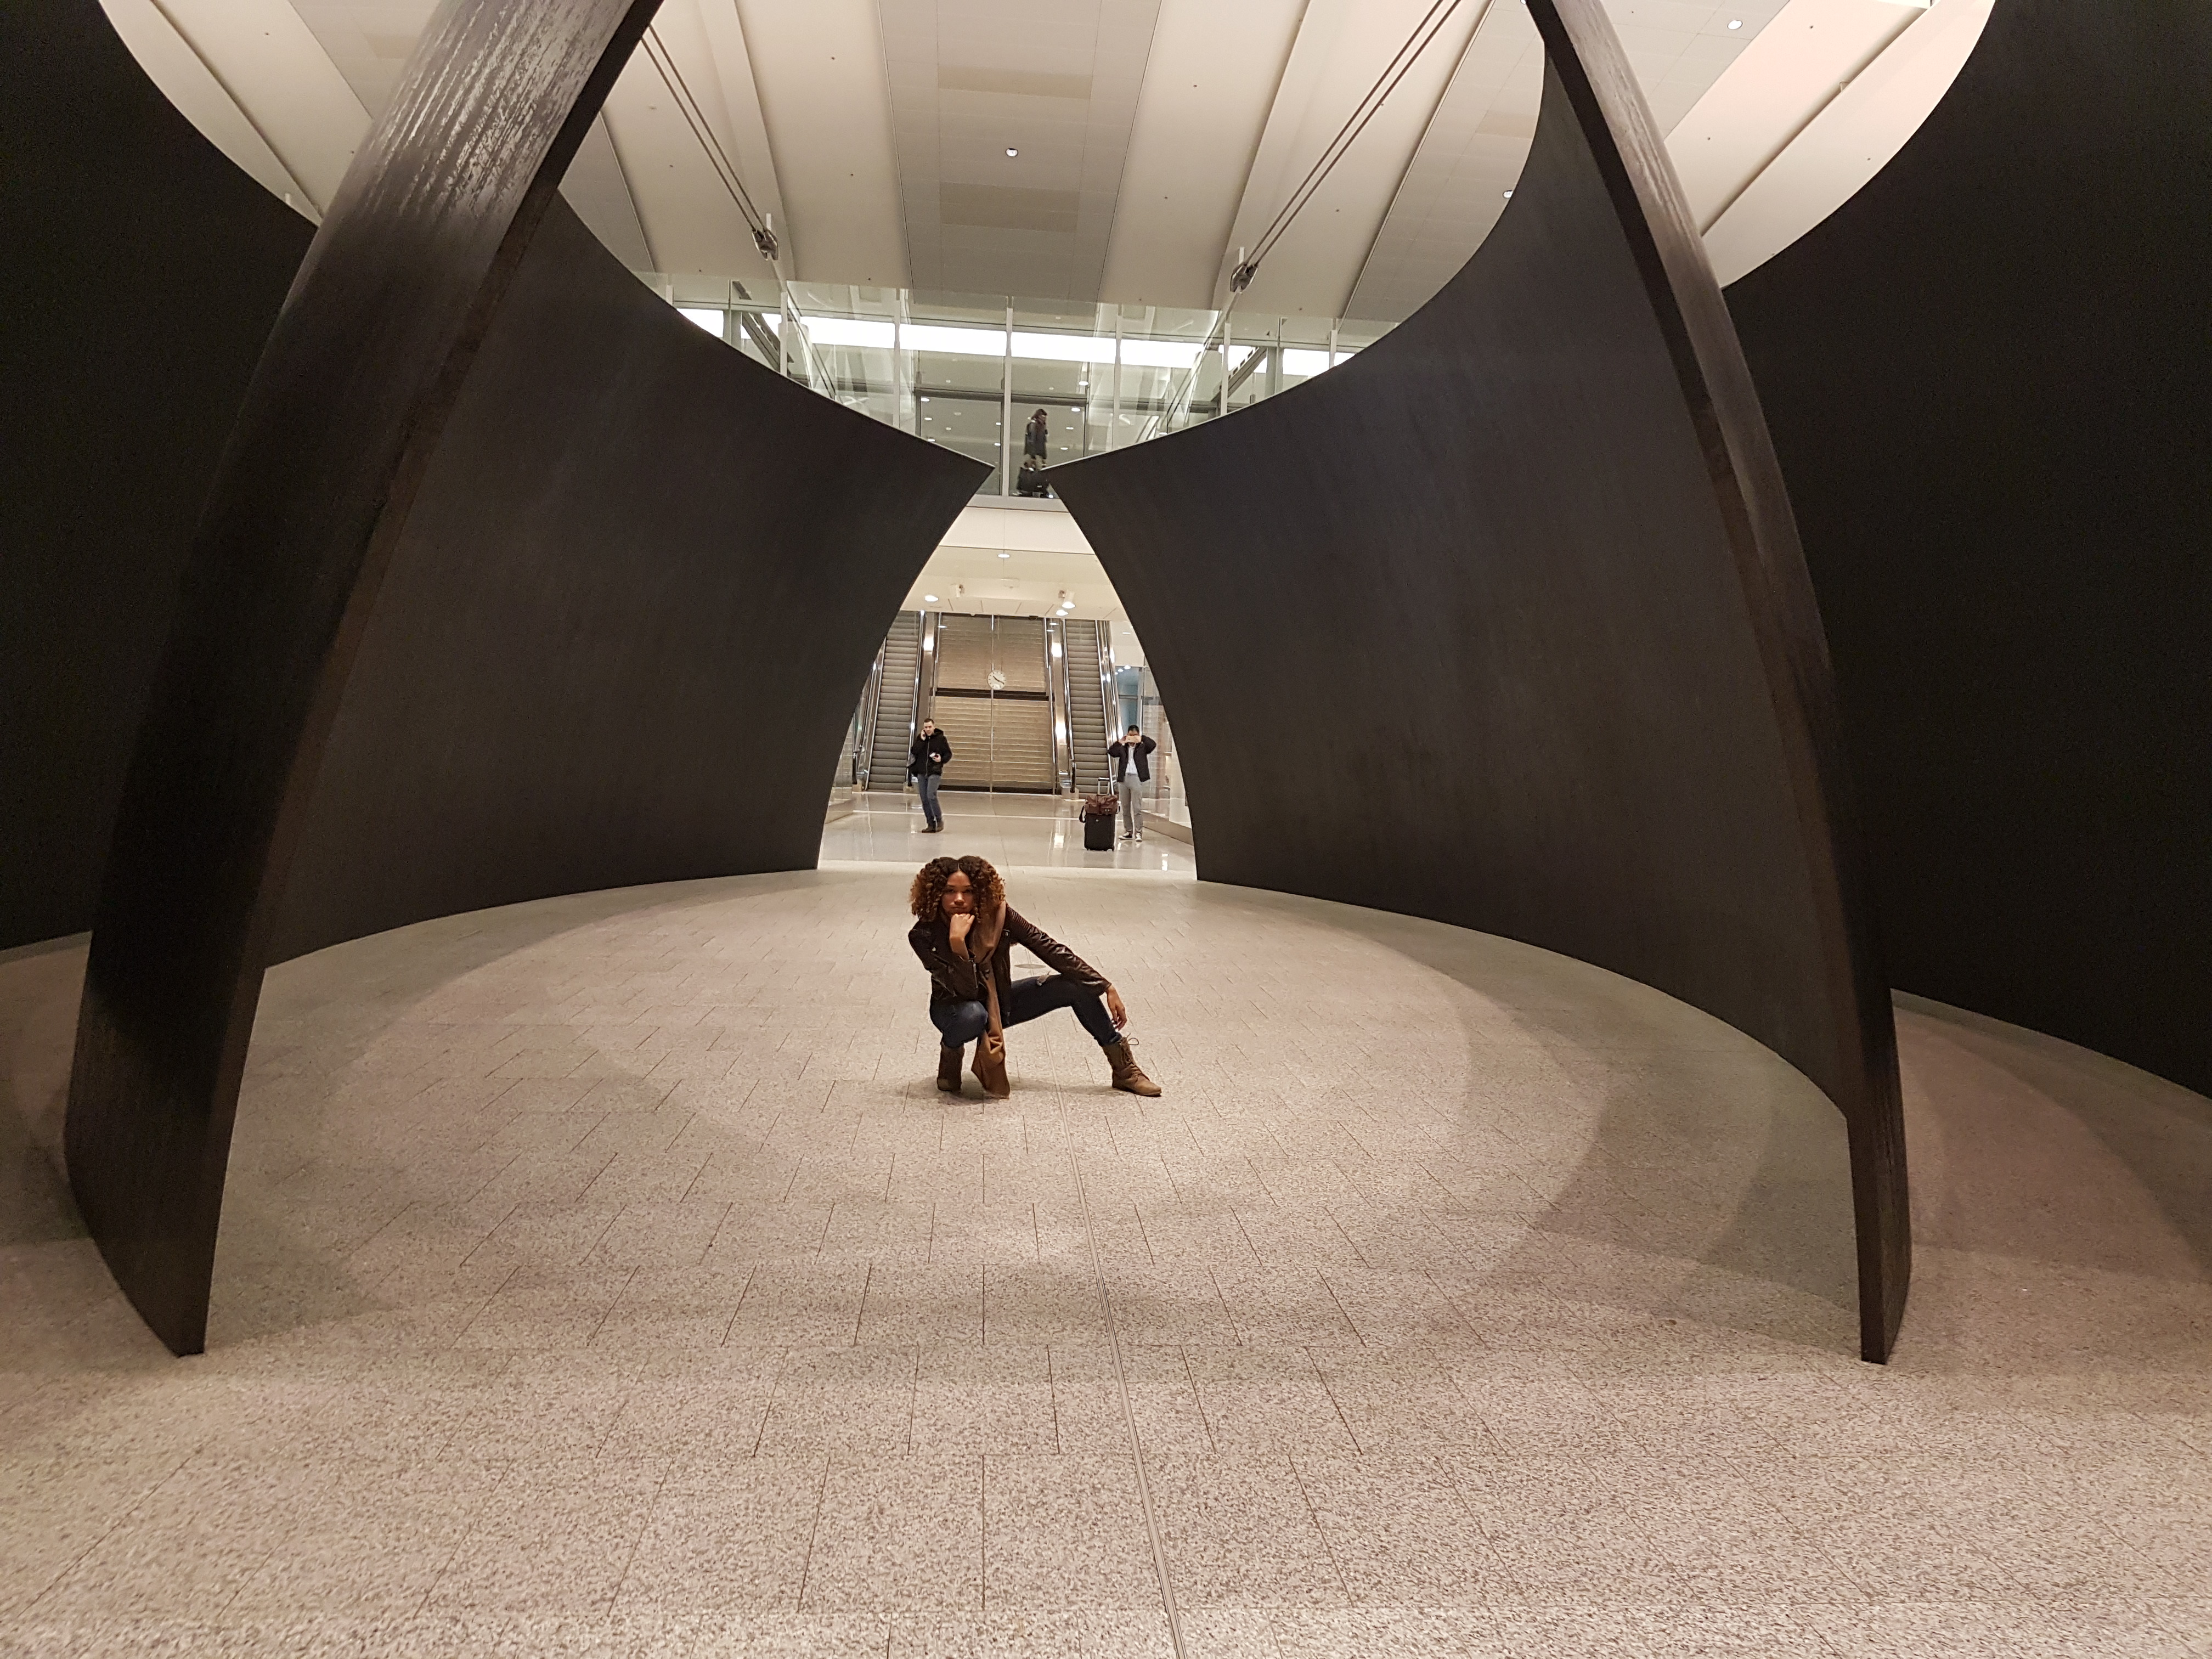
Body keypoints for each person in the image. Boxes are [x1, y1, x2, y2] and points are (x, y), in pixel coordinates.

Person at [909, 854, 1160, 1098]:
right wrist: (958, 945)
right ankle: (951, 1053)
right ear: (936, 894)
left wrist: (1104, 985)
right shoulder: (923, 935)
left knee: (1075, 986)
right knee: (974, 1015)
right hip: (954, 1009)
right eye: (950, 891)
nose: (960, 899)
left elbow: (1047, 946)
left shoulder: (998, 916)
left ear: (981, 892)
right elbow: (965, 991)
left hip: (999, 1003)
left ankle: (1124, 1070)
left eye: (969, 891)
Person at [1106, 725, 1156, 843]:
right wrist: (1120, 742)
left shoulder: (1142, 747)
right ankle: (1128, 831)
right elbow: (1111, 752)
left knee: (1137, 807)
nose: (1132, 738)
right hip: (1124, 778)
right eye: (1130, 735)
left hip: (1136, 778)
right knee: (1125, 807)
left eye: (1134, 736)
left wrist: (1141, 739)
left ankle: (1138, 833)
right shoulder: (1123, 747)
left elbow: (1153, 745)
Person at [909, 718, 951, 832]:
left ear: (934, 727)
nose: (928, 729)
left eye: (930, 727)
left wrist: (941, 759)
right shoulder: (921, 739)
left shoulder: (941, 739)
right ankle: (930, 823)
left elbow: (948, 754)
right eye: (926, 727)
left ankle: (939, 820)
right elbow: (914, 751)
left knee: (931, 795)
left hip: (934, 771)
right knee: (924, 798)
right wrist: (921, 741)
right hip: (922, 772)